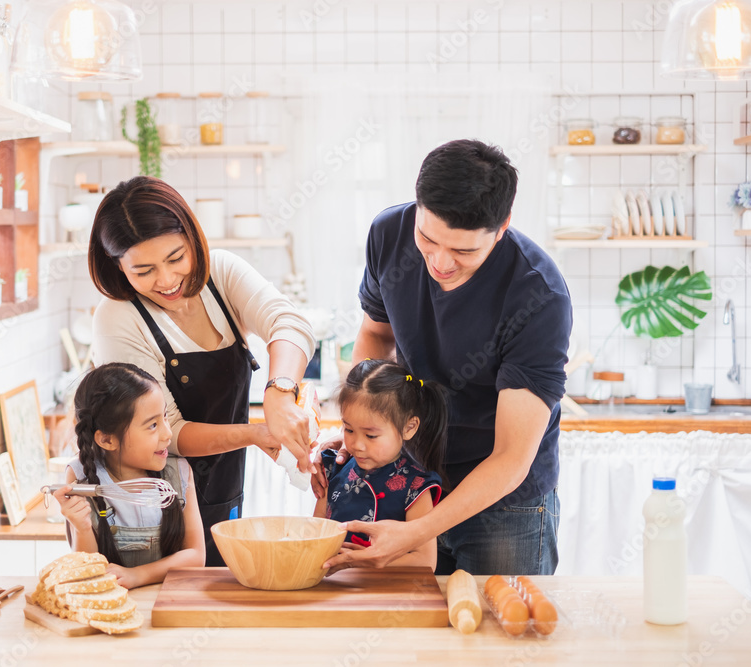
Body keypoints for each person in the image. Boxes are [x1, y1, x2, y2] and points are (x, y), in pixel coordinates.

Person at [319, 139, 572, 576]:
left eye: (464, 251)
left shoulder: (538, 296)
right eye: (428, 239)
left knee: (499, 634)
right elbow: (376, 336)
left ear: (503, 226)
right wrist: (362, 429)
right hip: (410, 476)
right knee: (413, 636)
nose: (440, 262)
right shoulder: (388, 234)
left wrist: (417, 533)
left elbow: (512, 457)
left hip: (503, 502)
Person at [88, 176, 316, 566]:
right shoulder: (118, 318)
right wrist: (255, 433)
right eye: (143, 270)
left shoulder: (221, 275)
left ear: (192, 238)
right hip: (153, 509)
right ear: (117, 266)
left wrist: (279, 392)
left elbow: (290, 323)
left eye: (176, 258)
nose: (166, 280)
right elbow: (167, 433)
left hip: (223, 485)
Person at [52, 363, 205, 589]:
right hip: (109, 605)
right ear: (107, 440)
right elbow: (86, 572)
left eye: (164, 417)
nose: (168, 433)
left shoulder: (178, 474)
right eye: (152, 425)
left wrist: (137, 575)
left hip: (167, 602)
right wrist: (81, 527)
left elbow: (196, 556)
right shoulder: (81, 476)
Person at [314, 359, 447, 570]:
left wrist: (360, 564)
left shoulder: (417, 486)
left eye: (371, 435)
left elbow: (425, 561)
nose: (357, 445)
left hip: (388, 596)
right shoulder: (334, 469)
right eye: (348, 430)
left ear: (409, 427)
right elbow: (315, 534)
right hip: (334, 591)